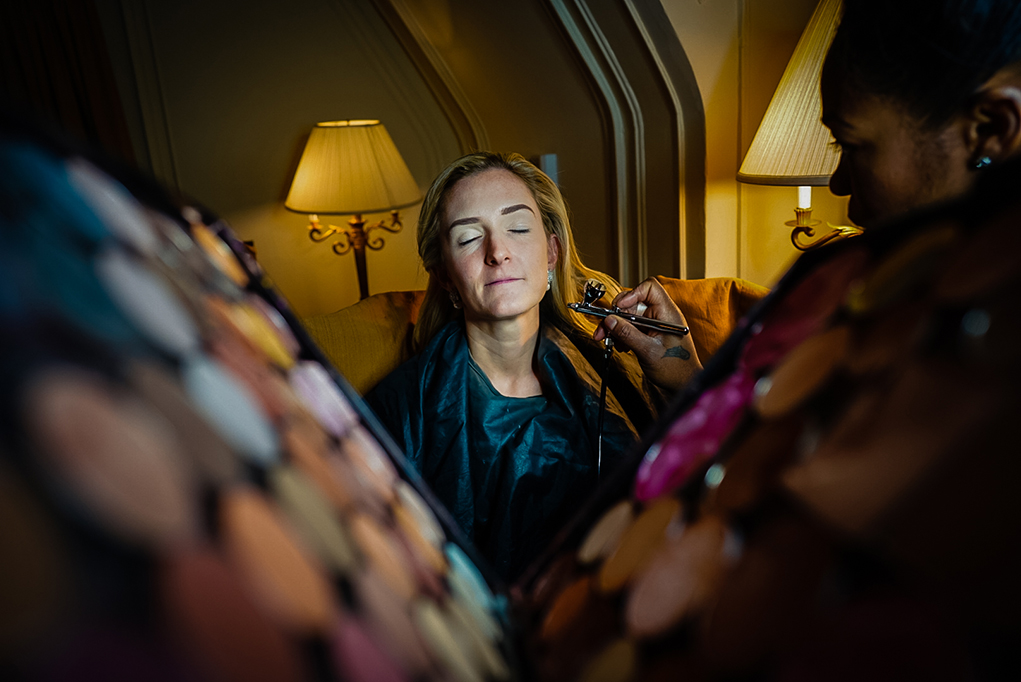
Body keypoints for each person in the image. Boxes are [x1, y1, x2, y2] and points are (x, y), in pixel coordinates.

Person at [601, 0, 1021, 387]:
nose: (837, 183)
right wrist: (687, 374)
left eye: (851, 146)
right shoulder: (877, 281)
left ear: (991, 129)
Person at [366, 152, 701, 581]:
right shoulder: (397, 410)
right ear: (445, 275)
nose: (497, 252)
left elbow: (698, 494)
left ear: (552, 253)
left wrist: (688, 375)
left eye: (518, 228)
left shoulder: (617, 369)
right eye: (469, 238)